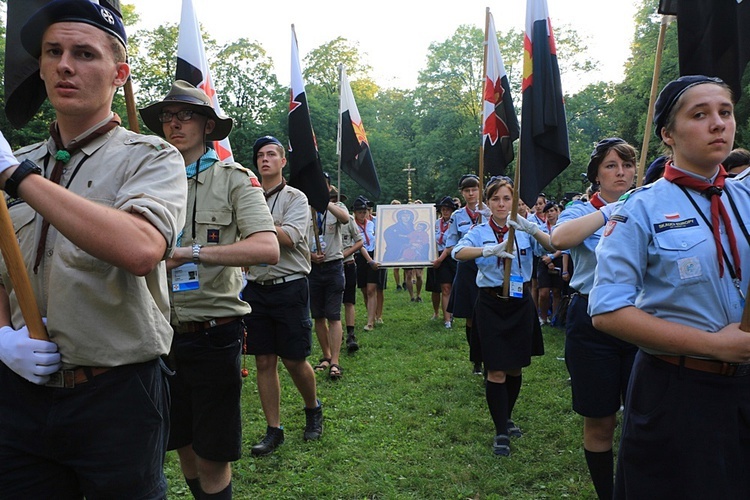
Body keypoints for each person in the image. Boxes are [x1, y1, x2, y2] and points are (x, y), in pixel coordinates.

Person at [0, 1, 187, 496]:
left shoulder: (151, 156)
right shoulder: (16, 160)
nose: (65, 64)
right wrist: (1, 335)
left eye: (84, 53)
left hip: (116, 395)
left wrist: (18, 180)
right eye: (52, 52)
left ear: (119, 73)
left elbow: (142, 247)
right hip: (19, 394)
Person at [590, 75, 750, 498]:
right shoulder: (639, 209)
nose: (718, 124)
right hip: (679, 391)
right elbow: (607, 309)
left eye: (725, 112)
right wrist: (714, 346)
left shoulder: (746, 198)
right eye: (699, 115)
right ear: (667, 133)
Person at [140, 82, 278, 497]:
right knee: (180, 441)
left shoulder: (235, 179)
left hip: (214, 332)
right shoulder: (146, 178)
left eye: (185, 115)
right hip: (158, 332)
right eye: (167, 116)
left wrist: (194, 253)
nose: (174, 123)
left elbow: (267, 247)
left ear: (207, 126)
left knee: (212, 451)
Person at [550, 137, 639, 500]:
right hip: (591, 318)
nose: (621, 173)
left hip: (642, 320)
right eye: (611, 166)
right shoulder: (579, 209)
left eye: (628, 165)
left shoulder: (647, 204)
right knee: (600, 419)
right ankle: (607, 494)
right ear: (596, 175)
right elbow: (559, 238)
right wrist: (610, 211)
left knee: (643, 415)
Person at [453, 177, 554, 457]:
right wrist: (489, 250)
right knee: (495, 369)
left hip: (519, 303)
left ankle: (507, 415)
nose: (501, 204)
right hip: (491, 304)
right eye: (496, 199)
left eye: (506, 199)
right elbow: (458, 252)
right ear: (488, 202)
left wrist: (532, 228)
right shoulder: (479, 230)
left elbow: (551, 245)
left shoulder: (522, 230)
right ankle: (500, 430)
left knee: (515, 368)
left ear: (514, 202)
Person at [241, 135, 325, 458]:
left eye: (271, 154)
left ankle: (312, 407)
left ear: (282, 161)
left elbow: (289, 237)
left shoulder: (296, 198)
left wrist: (258, 221)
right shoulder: (247, 196)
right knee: (264, 359)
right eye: (260, 155)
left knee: (294, 359)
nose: (265, 159)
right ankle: (273, 429)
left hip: (289, 285)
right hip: (256, 288)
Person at [446, 174, 488, 375]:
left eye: (474, 189)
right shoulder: (457, 216)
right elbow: (451, 242)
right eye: (467, 190)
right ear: (462, 193)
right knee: (471, 315)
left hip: (488, 264)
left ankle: (491, 356)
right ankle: (476, 359)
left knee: (488, 313)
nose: (471, 194)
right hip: (467, 266)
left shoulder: (489, 212)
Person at [308, 184, 351, 380]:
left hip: (334, 266)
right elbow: (298, 239)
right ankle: (325, 356)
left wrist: (325, 203)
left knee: (333, 315)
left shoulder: (338, 206)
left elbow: (344, 218)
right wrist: (310, 256)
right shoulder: (303, 208)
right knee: (318, 315)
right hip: (313, 268)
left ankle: (335, 361)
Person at [427, 196, 458, 328]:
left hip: (450, 256)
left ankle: (450, 315)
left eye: (448, 209)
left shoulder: (455, 223)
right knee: (441, 288)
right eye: (443, 209)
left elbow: (451, 244)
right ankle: (444, 318)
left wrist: (441, 259)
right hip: (436, 255)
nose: (445, 212)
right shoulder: (434, 223)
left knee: (450, 287)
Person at [536, 201, 565, 325]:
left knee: (557, 291)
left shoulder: (563, 227)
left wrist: (553, 257)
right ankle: (543, 317)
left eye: (552, 211)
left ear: (557, 212)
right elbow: (537, 247)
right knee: (544, 292)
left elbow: (565, 246)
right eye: (547, 212)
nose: (549, 214)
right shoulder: (541, 228)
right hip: (543, 260)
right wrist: (547, 260)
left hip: (558, 259)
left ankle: (555, 317)